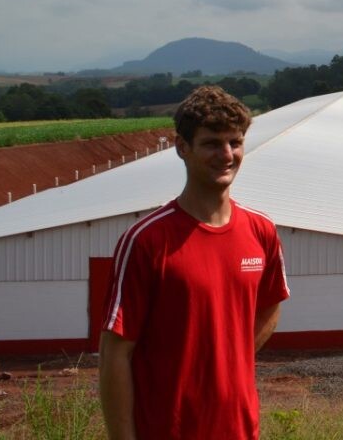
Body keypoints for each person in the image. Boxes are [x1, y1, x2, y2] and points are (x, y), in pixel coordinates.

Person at [99, 85, 289, 439]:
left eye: (235, 142)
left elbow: (272, 301)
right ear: (182, 148)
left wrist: (230, 361)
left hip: (239, 428)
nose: (227, 154)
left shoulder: (261, 231)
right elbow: (114, 355)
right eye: (212, 143)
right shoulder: (146, 241)